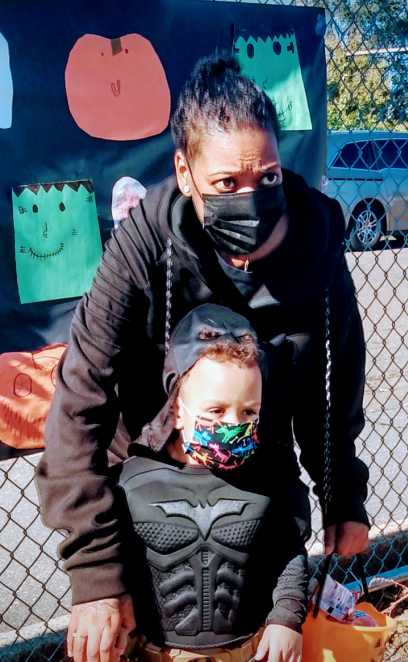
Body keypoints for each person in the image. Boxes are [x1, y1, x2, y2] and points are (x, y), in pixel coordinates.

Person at [36, 52, 369, 662]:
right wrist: (96, 572)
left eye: (267, 178)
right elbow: (81, 391)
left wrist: (342, 496)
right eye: (226, 184)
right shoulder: (146, 241)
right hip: (149, 481)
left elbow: (336, 384)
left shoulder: (316, 244)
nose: (251, 201)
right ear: (184, 173)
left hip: (256, 480)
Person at [119, 303, 308, 662]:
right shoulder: (134, 482)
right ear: (178, 411)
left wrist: (287, 618)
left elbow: (288, 551)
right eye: (216, 410)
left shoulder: (268, 479)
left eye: (248, 411)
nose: (233, 424)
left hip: (247, 652)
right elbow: (114, 562)